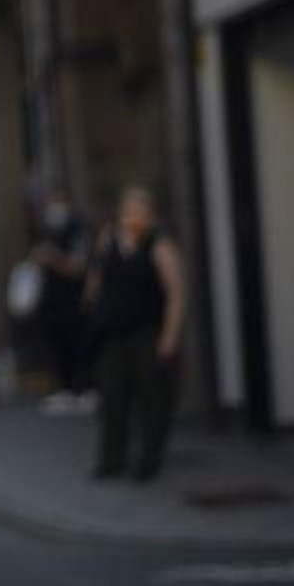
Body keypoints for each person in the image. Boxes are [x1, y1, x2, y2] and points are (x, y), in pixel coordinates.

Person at [86, 186, 186, 482]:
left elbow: (176, 293)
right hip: (113, 330)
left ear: (150, 216)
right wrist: (92, 300)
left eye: (140, 212)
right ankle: (111, 459)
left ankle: (149, 460)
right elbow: (97, 275)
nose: (133, 217)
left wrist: (169, 336)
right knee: (112, 393)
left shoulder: (159, 246)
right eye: (129, 211)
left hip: (146, 330)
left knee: (151, 395)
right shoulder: (108, 239)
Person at [31, 190, 94, 415]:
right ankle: (65, 389)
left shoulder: (76, 228)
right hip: (53, 301)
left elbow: (78, 267)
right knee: (57, 343)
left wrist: (54, 258)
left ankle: (85, 388)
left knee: (78, 342)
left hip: (73, 299)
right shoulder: (47, 230)